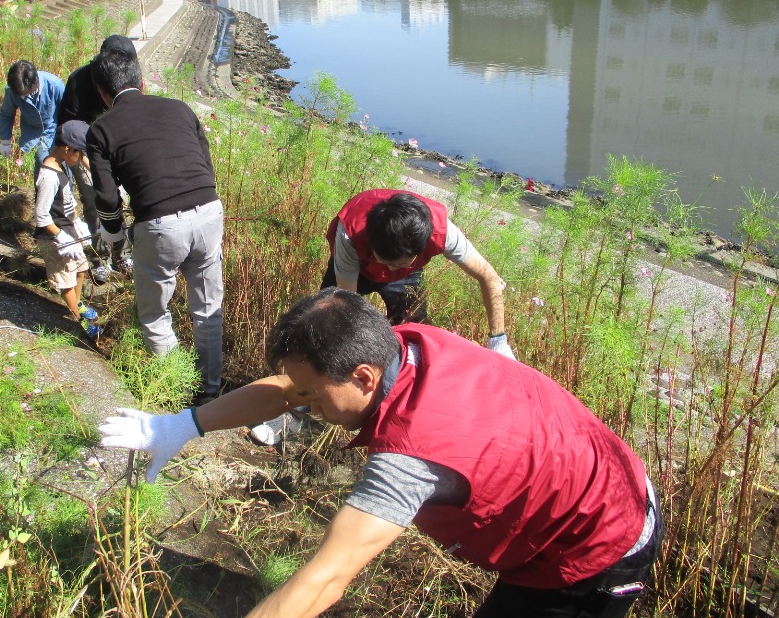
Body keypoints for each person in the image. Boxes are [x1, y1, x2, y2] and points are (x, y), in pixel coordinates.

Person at [99, 288, 664, 618]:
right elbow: (285, 390)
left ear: (364, 378)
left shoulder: (409, 456)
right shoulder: (407, 344)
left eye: (313, 396)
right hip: (599, 475)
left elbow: (324, 579)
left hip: (599, 544)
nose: (304, 406)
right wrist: (179, 426)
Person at [87, 48, 224, 399]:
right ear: (142, 81)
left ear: (102, 93)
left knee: (154, 314)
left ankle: (177, 390)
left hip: (161, 225)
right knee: (207, 310)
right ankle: (209, 392)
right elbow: (205, 165)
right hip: (209, 210)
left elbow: (105, 196)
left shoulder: (101, 129)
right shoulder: (179, 108)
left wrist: (114, 234)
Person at [323, 189, 514, 358]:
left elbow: (488, 276)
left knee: (417, 334)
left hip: (406, 276)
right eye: (385, 262)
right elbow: (346, 302)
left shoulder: (441, 231)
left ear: (419, 249)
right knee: (329, 322)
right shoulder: (350, 232)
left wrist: (498, 341)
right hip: (359, 268)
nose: (389, 270)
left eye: (398, 264)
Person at [57, 34, 139, 278]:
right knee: (95, 199)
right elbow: (71, 132)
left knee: (124, 198)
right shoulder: (80, 82)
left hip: (116, 143)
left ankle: (123, 254)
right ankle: (99, 257)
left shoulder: (128, 76)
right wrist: (94, 166)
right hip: (82, 147)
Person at [34, 121, 102, 340]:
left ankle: (78, 303)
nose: (81, 157)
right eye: (79, 153)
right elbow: (42, 215)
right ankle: (79, 321)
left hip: (67, 231)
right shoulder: (48, 176)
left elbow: (66, 203)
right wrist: (59, 235)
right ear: (66, 148)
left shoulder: (61, 165)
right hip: (54, 238)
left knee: (81, 269)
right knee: (67, 281)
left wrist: (77, 222)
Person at [0, 60, 65, 176]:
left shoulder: (54, 85)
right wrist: (5, 141)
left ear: (35, 83)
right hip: (33, 137)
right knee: (42, 171)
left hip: (56, 134)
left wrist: (66, 140)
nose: (25, 97)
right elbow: (7, 114)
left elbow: (67, 113)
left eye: (27, 93)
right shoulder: (12, 90)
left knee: (63, 173)